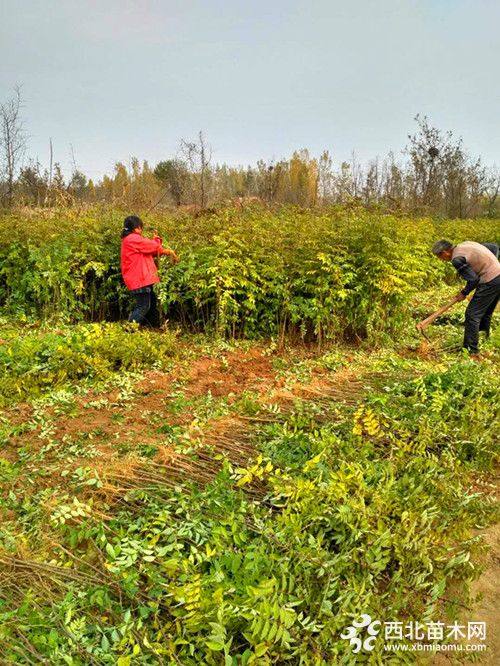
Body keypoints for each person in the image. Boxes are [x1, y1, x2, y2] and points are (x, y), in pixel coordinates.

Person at [431, 239, 500, 358]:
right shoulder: (465, 244)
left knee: (472, 314)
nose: (442, 260)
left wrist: (464, 293)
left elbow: (473, 280)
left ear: (444, 252)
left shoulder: (456, 259)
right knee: (485, 312)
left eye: (440, 257)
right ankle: (484, 338)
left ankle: (471, 351)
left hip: (490, 281)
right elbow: (493, 247)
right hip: (498, 275)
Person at [120, 215, 179, 326]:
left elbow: (151, 250)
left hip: (142, 278)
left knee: (150, 304)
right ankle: (129, 329)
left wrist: (161, 247)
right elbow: (153, 247)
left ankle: (151, 328)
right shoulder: (133, 239)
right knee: (143, 306)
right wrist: (159, 242)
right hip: (140, 278)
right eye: (141, 227)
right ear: (137, 227)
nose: (141, 230)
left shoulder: (130, 240)